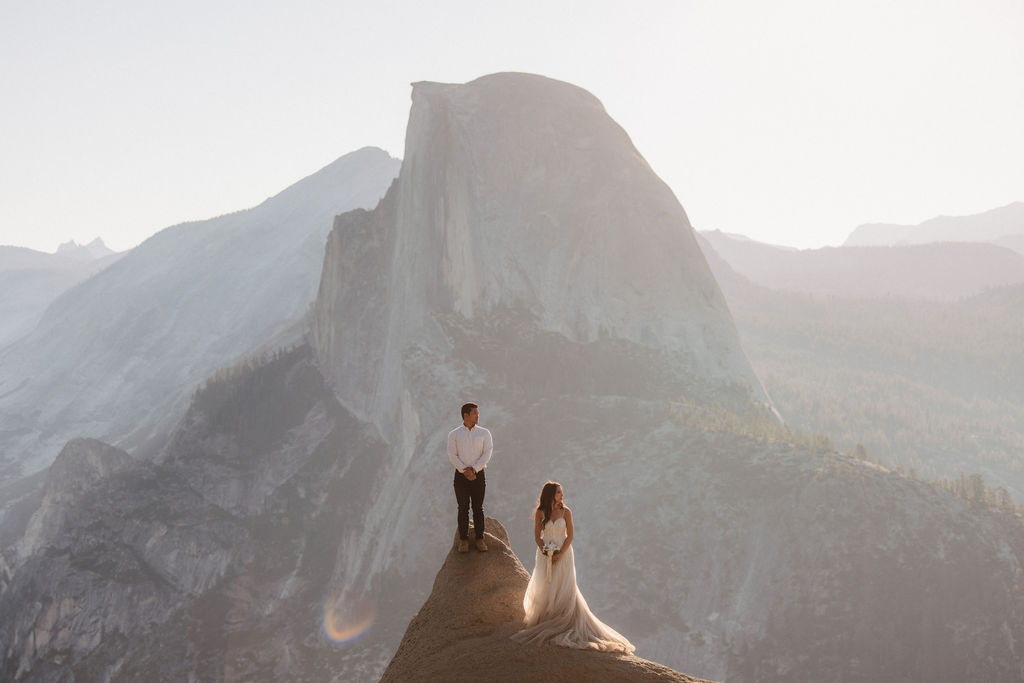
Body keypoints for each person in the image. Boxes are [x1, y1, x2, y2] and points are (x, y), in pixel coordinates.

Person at [511, 481, 635, 653]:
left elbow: (570, 536)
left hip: (564, 553)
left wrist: (560, 553)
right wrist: (545, 551)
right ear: (550, 494)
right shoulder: (541, 512)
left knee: (563, 584)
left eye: (561, 492)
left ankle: (563, 617)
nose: (562, 495)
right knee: (546, 583)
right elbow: (537, 536)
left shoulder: (566, 511)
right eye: (559, 492)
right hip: (544, 555)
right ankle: (546, 617)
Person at [447, 402, 493, 553]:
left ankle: (480, 539)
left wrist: (474, 469)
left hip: (479, 475)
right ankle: (463, 540)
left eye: (478, 413)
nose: (478, 416)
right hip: (461, 476)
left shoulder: (484, 433)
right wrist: (464, 470)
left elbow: (487, 453)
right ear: (465, 415)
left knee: (478, 508)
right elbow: (452, 455)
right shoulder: (454, 434)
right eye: (475, 413)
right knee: (463, 508)